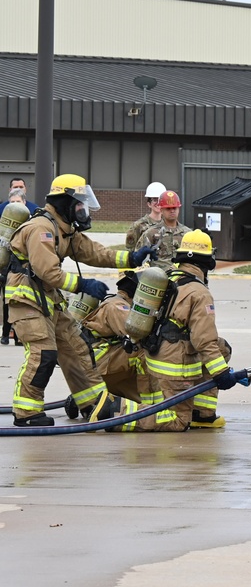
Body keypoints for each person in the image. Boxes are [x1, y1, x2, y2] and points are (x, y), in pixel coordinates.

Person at [5, 174, 155, 426]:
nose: (82, 210)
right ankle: (26, 413)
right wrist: (83, 284)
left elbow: (95, 252)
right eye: (78, 204)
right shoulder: (41, 228)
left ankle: (92, 402)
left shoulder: (63, 229)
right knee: (44, 353)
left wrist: (132, 258)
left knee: (77, 347)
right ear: (64, 202)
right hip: (26, 301)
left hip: (47, 300)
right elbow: (47, 271)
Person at [98, 230, 236, 431]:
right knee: (178, 420)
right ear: (207, 262)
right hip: (174, 365)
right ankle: (116, 410)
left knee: (222, 348)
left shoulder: (168, 279)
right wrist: (222, 374)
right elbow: (204, 341)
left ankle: (201, 414)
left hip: (154, 356)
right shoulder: (199, 293)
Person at [80, 273, 163, 409]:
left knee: (134, 356)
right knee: (144, 351)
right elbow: (136, 333)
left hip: (100, 363)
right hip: (99, 364)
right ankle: (151, 405)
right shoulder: (118, 306)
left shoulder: (114, 302)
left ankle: (98, 399)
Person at [1, 188, 28, 346]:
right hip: (7, 268)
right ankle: (5, 333)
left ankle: (18, 336)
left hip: (22, 268)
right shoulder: (4, 221)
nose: (15, 205)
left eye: (18, 202)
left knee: (21, 301)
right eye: (12, 202)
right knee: (7, 302)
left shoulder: (29, 221)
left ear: (24, 202)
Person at [138, 190, 190, 270]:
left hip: (182, 277)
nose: (172, 211)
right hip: (158, 277)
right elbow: (139, 256)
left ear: (178, 209)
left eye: (174, 208)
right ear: (161, 210)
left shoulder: (188, 234)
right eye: (168, 208)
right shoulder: (151, 233)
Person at [125, 182, 166, 252]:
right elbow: (130, 251)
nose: (158, 203)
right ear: (149, 204)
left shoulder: (168, 224)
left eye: (160, 199)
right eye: (155, 200)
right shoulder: (138, 226)